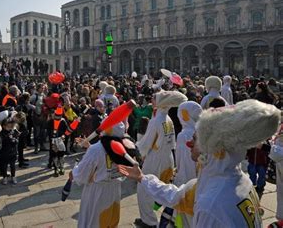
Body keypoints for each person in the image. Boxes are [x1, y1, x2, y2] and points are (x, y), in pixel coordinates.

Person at [118, 99, 280, 228]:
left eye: (195, 139)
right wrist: (142, 178)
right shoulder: (236, 179)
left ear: (211, 146)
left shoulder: (210, 204)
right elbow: (175, 195)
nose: (189, 143)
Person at [135, 90, 188, 228]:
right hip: (167, 157)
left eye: (154, 98)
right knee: (159, 188)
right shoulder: (168, 119)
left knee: (144, 189)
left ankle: (149, 221)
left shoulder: (156, 120)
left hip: (155, 158)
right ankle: (157, 216)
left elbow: (146, 143)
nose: (152, 100)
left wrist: (137, 149)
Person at [70, 122, 138, 228]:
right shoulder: (124, 148)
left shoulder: (96, 150)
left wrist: (73, 172)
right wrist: (90, 148)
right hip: (114, 188)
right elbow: (107, 156)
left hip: (97, 192)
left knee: (94, 222)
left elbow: (82, 175)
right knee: (110, 221)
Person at [0, 118, 19, 185]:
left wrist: (14, 140)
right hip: (4, 152)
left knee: (12, 165)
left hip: (12, 152)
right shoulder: (1, 133)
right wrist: (8, 138)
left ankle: (13, 176)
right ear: (4, 126)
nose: (10, 127)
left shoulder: (13, 131)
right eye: (8, 125)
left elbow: (16, 140)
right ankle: (4, 177)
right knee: (4, 166)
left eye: (10, 125)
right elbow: (0, 142)